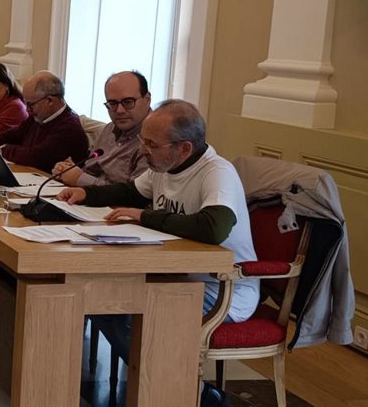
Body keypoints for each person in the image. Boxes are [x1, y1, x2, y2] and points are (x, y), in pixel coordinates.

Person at [57, 100, 259, 355]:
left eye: (151, 145)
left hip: (222, 291)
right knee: (101, 301)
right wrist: (86, 194)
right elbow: (131, 192)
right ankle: (149, 375)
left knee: (128, 316)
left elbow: (213, 228)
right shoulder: (163, 166)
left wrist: (146, 216)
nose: (143, 151)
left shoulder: (217, 172)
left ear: (184, 148)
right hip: (174, 276)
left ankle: (173, 378)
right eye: (143, 141)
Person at [53, 70, 152, 186]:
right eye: (112, 103)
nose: (119, 110)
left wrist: (80, 179)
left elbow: (133, 193)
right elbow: (90, 170)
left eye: (128, 102)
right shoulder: (109, 129)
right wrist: (69, 171)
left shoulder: (155, 139)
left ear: (147, 99)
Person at [0, 71, 88, 172]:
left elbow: (36, 157)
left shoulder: (69, 127)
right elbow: (15, 133)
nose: (27, 110)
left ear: (49, 101)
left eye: (30, 104)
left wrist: (1, 149)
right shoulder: (39, 116)